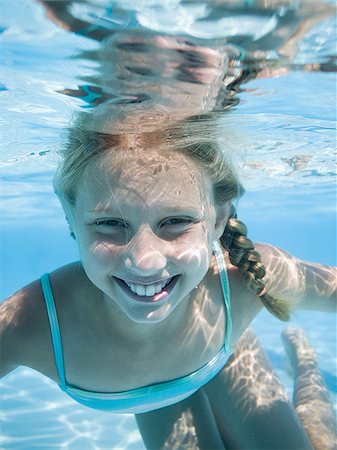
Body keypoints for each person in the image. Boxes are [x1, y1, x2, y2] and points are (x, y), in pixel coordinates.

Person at [1, 113, 336, 449]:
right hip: (174, 373)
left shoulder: (237, 279)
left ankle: (304, 360)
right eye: (109, 223)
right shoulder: (27, 324)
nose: (145, 262)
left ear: (218, 220)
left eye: (175, 221)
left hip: (217, 336)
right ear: (71, 220)